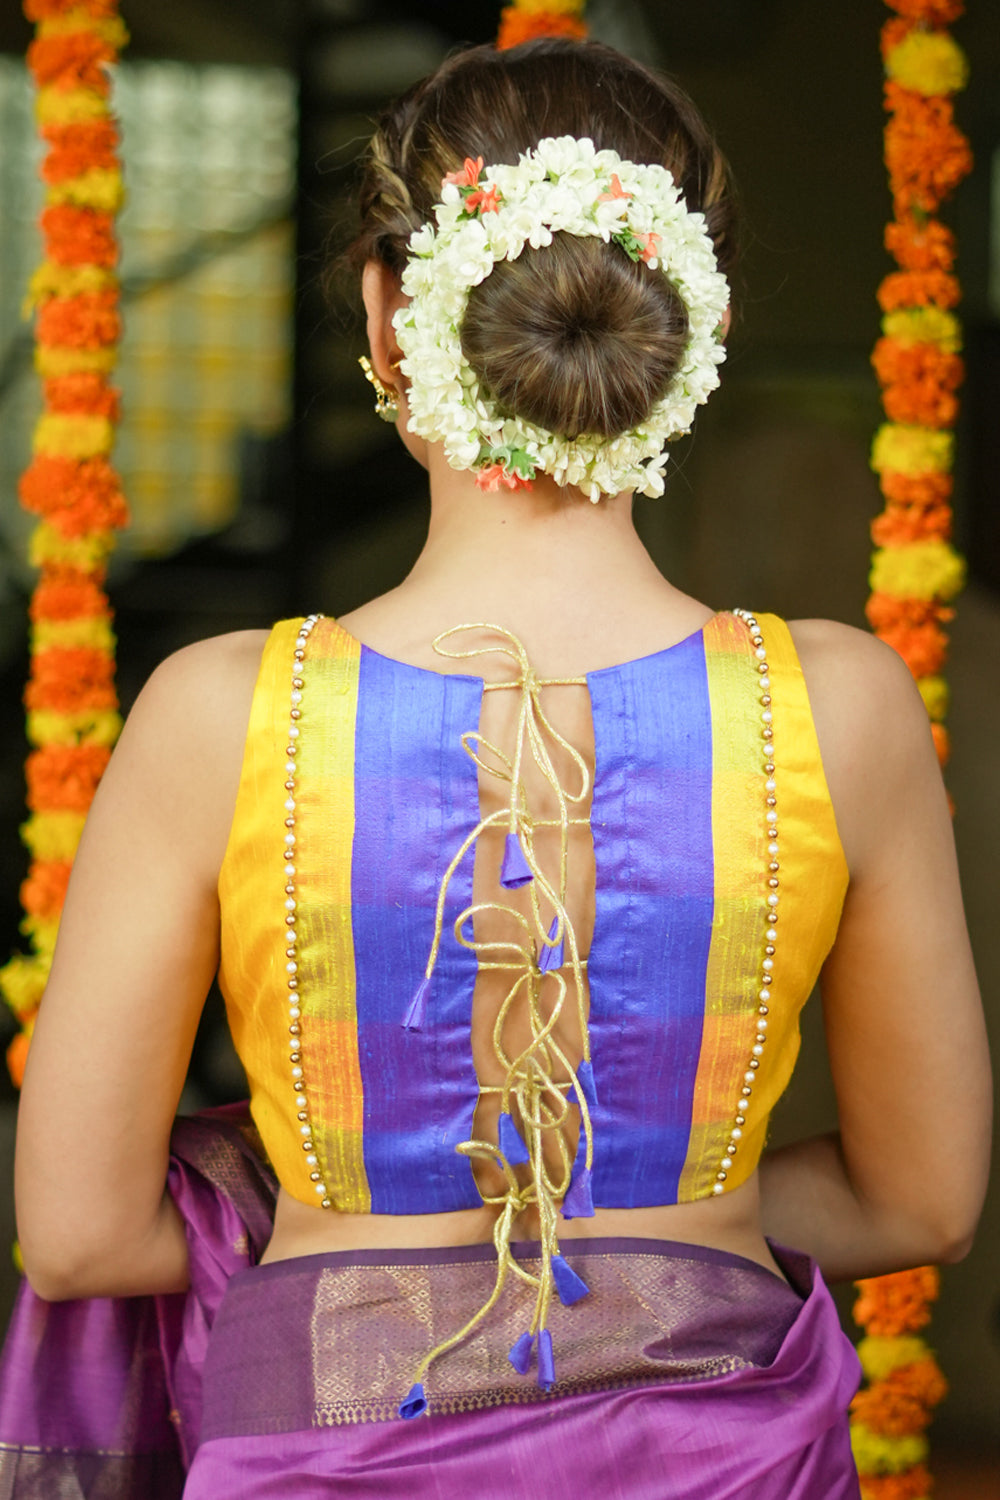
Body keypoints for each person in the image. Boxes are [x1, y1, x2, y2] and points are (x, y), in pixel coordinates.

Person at [5, 36, 990, 1500]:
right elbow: (920, 1197)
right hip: (725, 1461)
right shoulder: (837, 705)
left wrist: (357, 1214)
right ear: (681, 321)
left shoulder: (220, 714)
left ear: (387, 315)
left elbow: (80, 1233)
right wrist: (658, 1232)